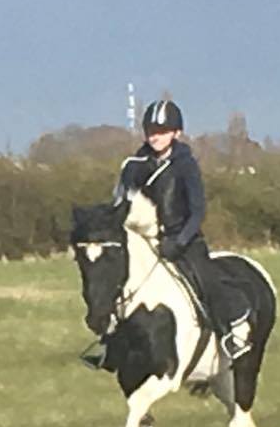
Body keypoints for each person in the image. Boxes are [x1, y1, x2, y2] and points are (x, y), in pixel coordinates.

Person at [87, 98, 251, 367]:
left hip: (182, 239)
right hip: (141, 242)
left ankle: (232, 332)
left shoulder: (186, 165)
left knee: (206, 279)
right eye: (151, 131)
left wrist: (180, 241)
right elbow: (118, 205)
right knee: (111, 282)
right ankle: (109, 346)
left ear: (176, 133)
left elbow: (198, 211)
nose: (156, 137)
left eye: (162, 131)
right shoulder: (132, 164)